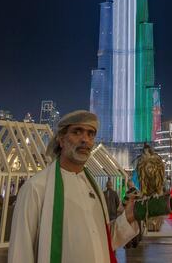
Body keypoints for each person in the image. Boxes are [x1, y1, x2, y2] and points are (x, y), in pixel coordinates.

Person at [7, 110, 139, 262]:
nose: (85, 139)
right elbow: (20, 252)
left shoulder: (93, 187)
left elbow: (103, 241)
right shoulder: (36, 188)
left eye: (91, 134)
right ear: (61, 140)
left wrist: (129, 217)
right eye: (77, 132)